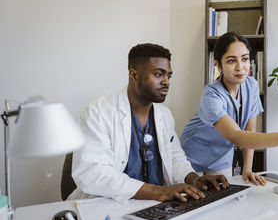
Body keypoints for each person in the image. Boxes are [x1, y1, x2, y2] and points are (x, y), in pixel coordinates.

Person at [69, 43, 228, 204]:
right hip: (109, 204)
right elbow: (93, 172)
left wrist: (194, 179)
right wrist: (158, 191)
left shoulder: (164, 115)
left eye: (169, 76)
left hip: (155, 205)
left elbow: (174, 157)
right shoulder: (97, 113)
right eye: (159, 74)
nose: (166, 81)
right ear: (134, 75)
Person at [180, 32, 278, 186]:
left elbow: (250, 132)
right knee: (193, 200)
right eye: (231, 61)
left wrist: (247, 168)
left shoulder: (251, 86)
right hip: (193, 154)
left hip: (221, 157)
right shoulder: (211, 95)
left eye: (244, 59)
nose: (240, 67)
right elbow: (236, 136)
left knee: (221, 198)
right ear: (218, 65)